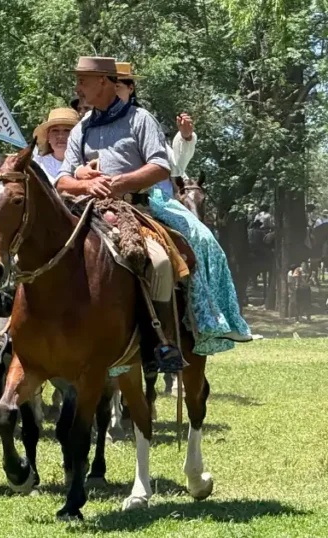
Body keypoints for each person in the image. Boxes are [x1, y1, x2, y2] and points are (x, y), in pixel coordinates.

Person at [58, 56, 250, 356]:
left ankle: (162, 342)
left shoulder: (140, 119)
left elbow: (160, 167)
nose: (78, 87)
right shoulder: (81, 128)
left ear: (104, 82)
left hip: (132, 209)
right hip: (83, 211)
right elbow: (62, 180)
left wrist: (117, 183)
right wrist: (85, 184)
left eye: (83, 80)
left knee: (160, 262)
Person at [113, 62, 198, 197]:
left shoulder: (142, 120)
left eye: (117, 86)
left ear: (130, 88)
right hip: (95, 192)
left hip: (146, 197)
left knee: (189, 219)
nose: (112, 92)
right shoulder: (89, 121)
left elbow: (175, 168)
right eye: (107, 87)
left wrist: (186, 138)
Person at [31, 107, 79, 183]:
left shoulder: (87, 164)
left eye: (67, 130)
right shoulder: (37, 165)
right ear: (48, 137)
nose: (60, 136)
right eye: (55, 130)